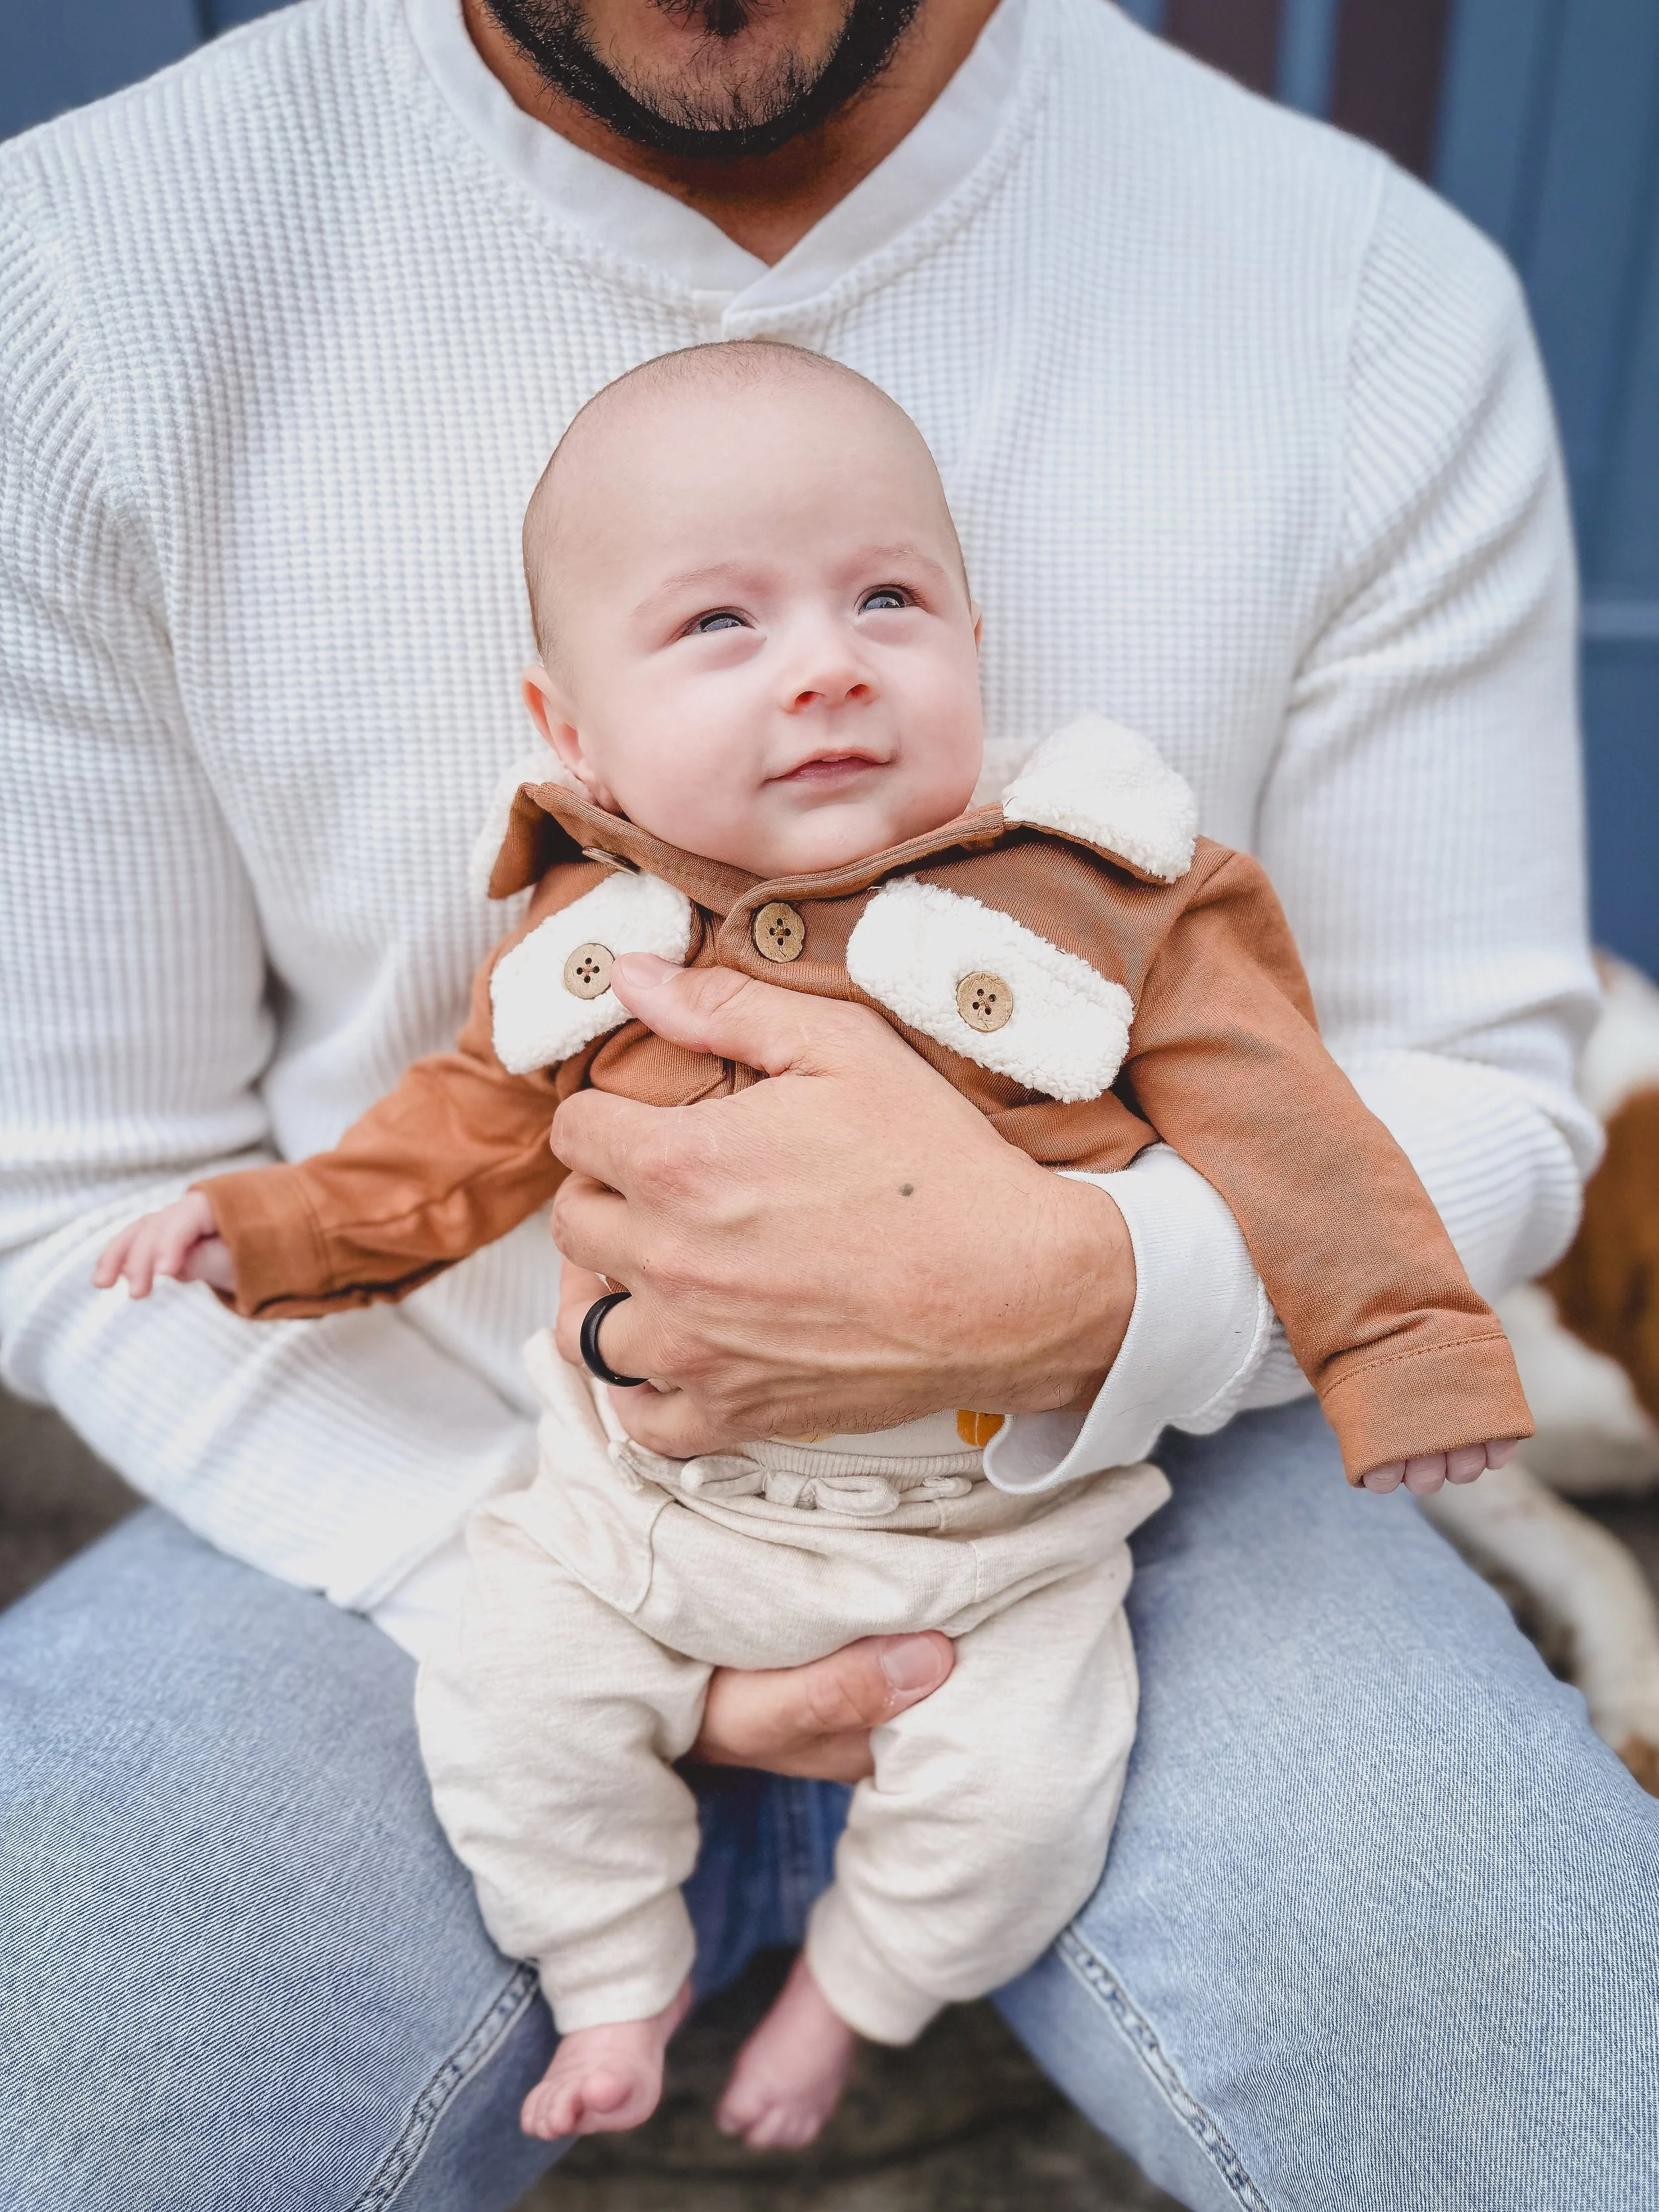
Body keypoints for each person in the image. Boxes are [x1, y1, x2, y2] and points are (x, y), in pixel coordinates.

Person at [0, 0, 1654, 2205]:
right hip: (467, 1489)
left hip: (1126, 1506)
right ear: (562, 727)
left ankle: (854, 1984)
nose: (827, 670)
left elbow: (1415, 1090)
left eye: (890, 603)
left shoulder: (1338, 337)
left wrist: (1098, 1282)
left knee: (1547, 2089)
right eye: (721, 626)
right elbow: (310, 1161)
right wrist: (299, 1289)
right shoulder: (90, 290)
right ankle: (616, 1963)